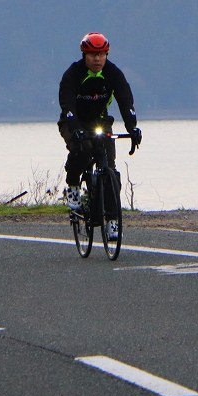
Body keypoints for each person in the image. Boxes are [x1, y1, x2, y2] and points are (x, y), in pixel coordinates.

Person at [58, 32, 141, 240]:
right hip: (73, 121)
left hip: (101, 122)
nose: (97, 59)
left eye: (102, 54)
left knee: (110, 169)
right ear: (85, 54)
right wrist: (75, 129)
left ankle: (112, 222)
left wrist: (132, 128)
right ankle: (73, 186)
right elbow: (67, 104)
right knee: (83, 149)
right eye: (93, 55)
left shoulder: (113, 74)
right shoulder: (73, 74)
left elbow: (125, 101)